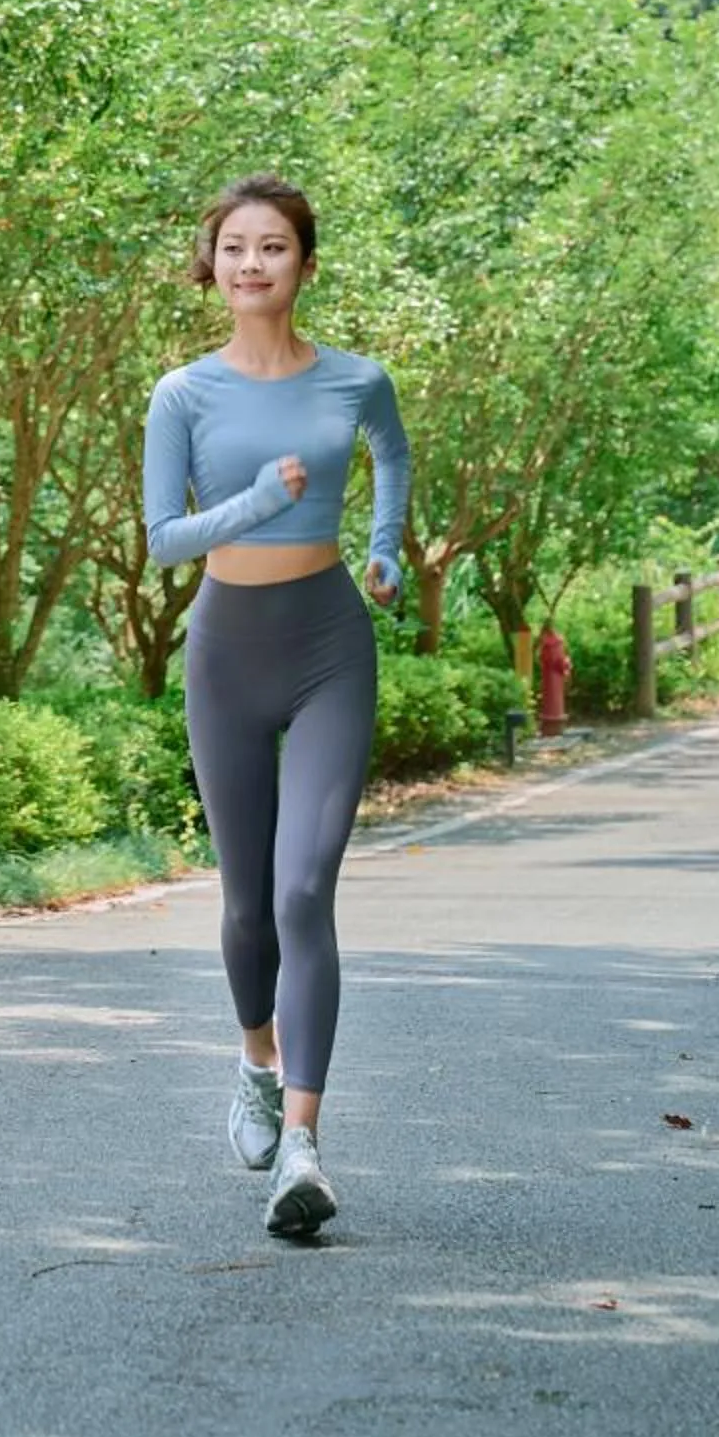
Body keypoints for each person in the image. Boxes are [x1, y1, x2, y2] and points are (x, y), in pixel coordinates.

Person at [143, 174, 408, 1241]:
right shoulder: (183, 395)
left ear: (304, 262)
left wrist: (383, 548)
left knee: (304, 892)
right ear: (211, 266)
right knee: (247, 904)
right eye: (235, 248)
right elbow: (164, 539)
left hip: (328, 644)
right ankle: (255, 1060)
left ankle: (301, 1142)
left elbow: (389, 451)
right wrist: (255, 504)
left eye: (275, 248)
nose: (254, 265)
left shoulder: (356, 380)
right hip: (225, 653)